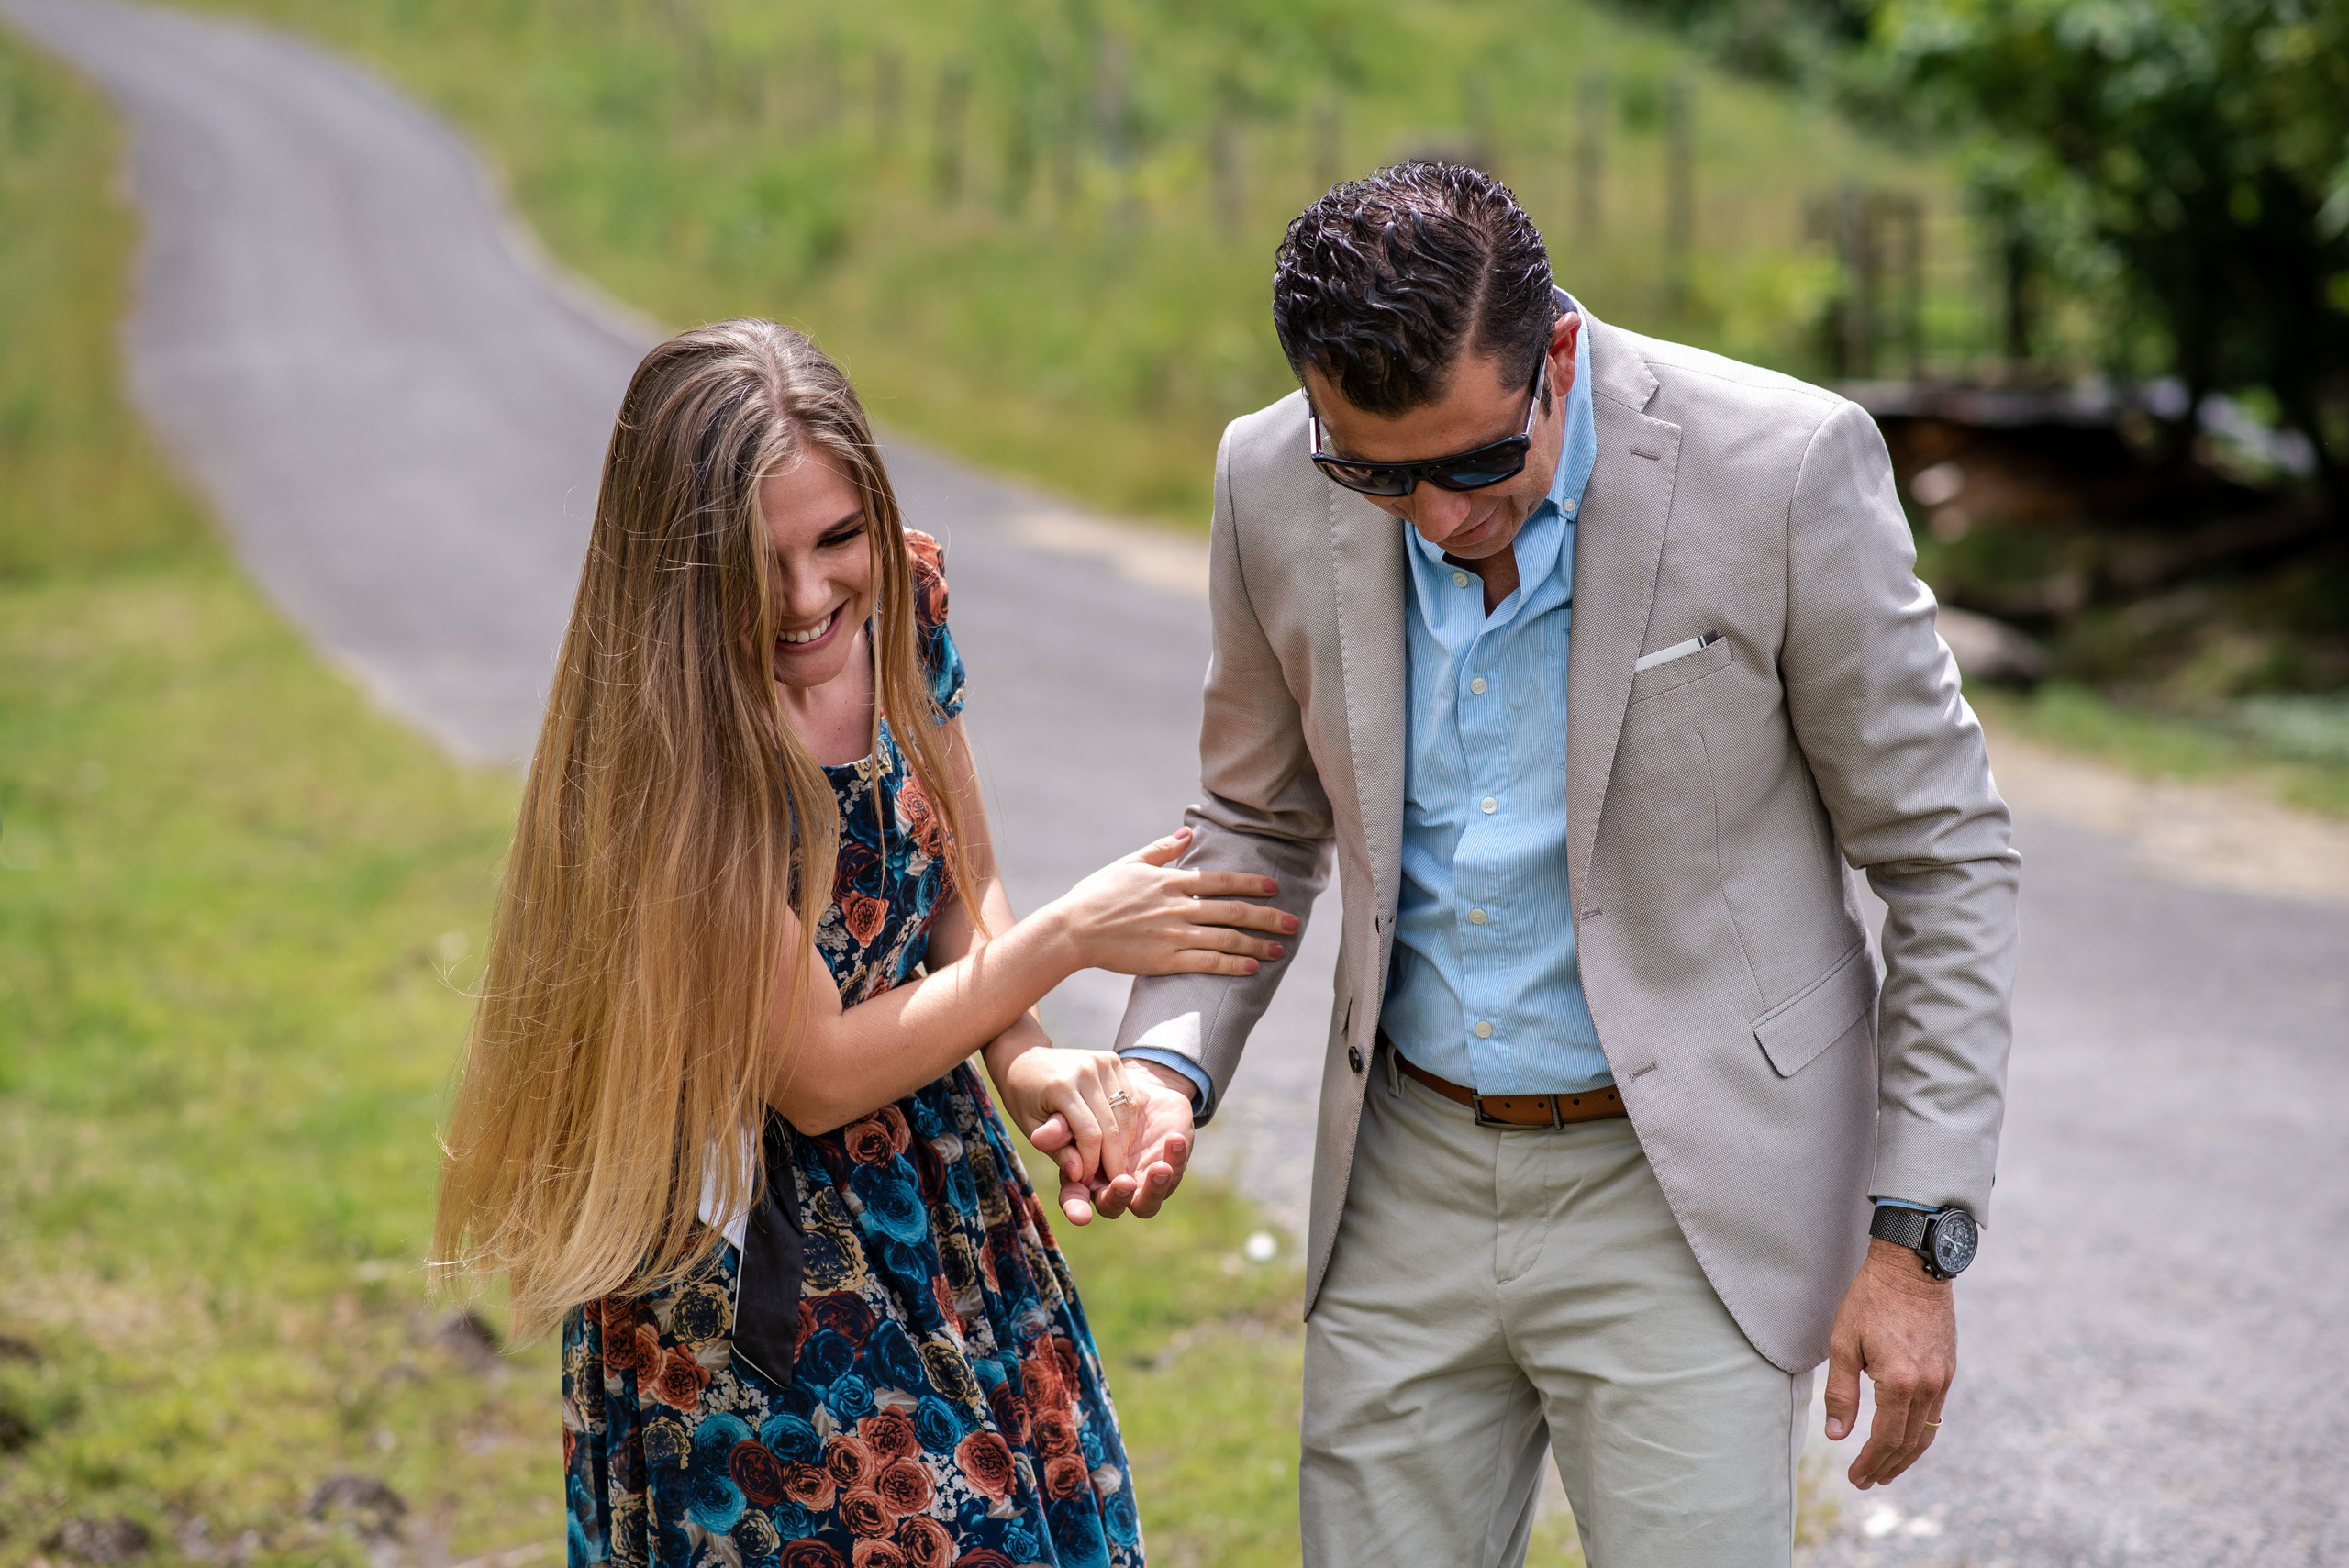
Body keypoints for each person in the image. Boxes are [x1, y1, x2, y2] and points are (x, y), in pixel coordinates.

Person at [1105, 163, 2021, 1565]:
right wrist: (1168, 1063)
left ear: (1562, 358)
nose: (1434, 519)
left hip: (1688, 1200)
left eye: (1477, 464)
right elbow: (1255, 818)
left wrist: (1915, 1236)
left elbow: (1944, 854)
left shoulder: (1782, 466)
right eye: (1375, 472)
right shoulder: (1264, 476)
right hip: (1400, 1176)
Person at [430, 319, 1293, 1567]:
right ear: (679, 568)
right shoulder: (678, 742)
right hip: (763, 1280)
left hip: (943, 1206)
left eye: (838, 540)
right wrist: (1070, 937)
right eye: (755, 563)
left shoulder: (905, 601)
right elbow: (818, 1073)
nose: (808, 597)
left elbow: (963, 878)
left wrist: (1030, 1064)